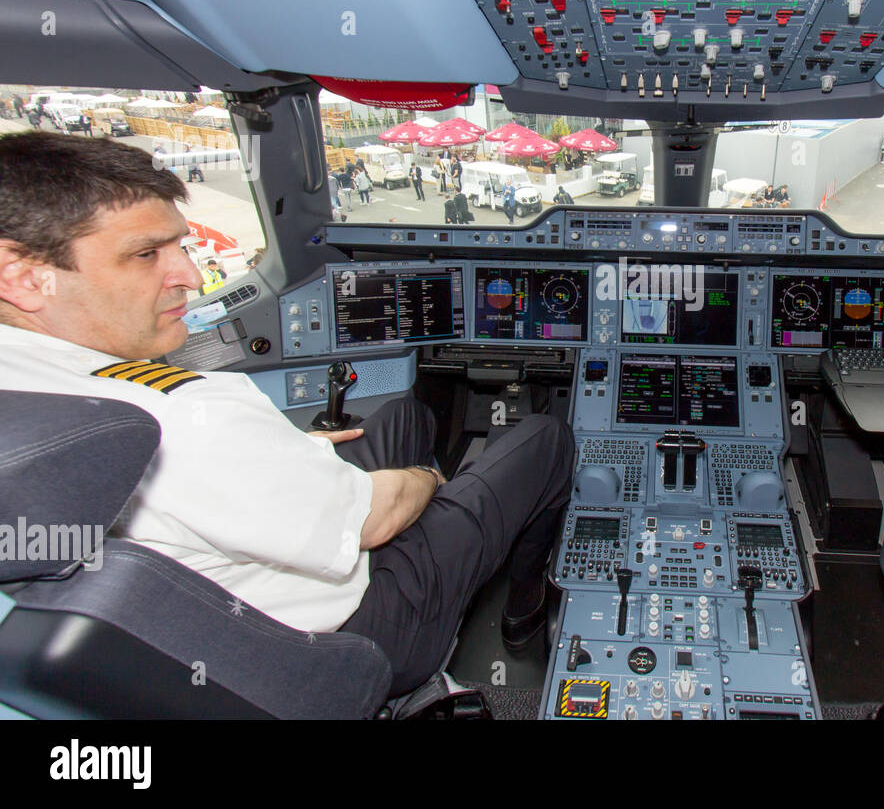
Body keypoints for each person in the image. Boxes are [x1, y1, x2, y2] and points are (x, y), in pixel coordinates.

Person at [0, 131, 575, 693]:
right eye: (146, 254)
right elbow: (377, 519)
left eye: (179, 247)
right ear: (25, 277)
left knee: (406, 416)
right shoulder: (188, 415)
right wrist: (428, 480)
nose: (191, 277)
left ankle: (431, 522)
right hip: (348, 634)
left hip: (222, 604)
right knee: (544, 439)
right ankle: (524, 616)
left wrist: (306, 461)